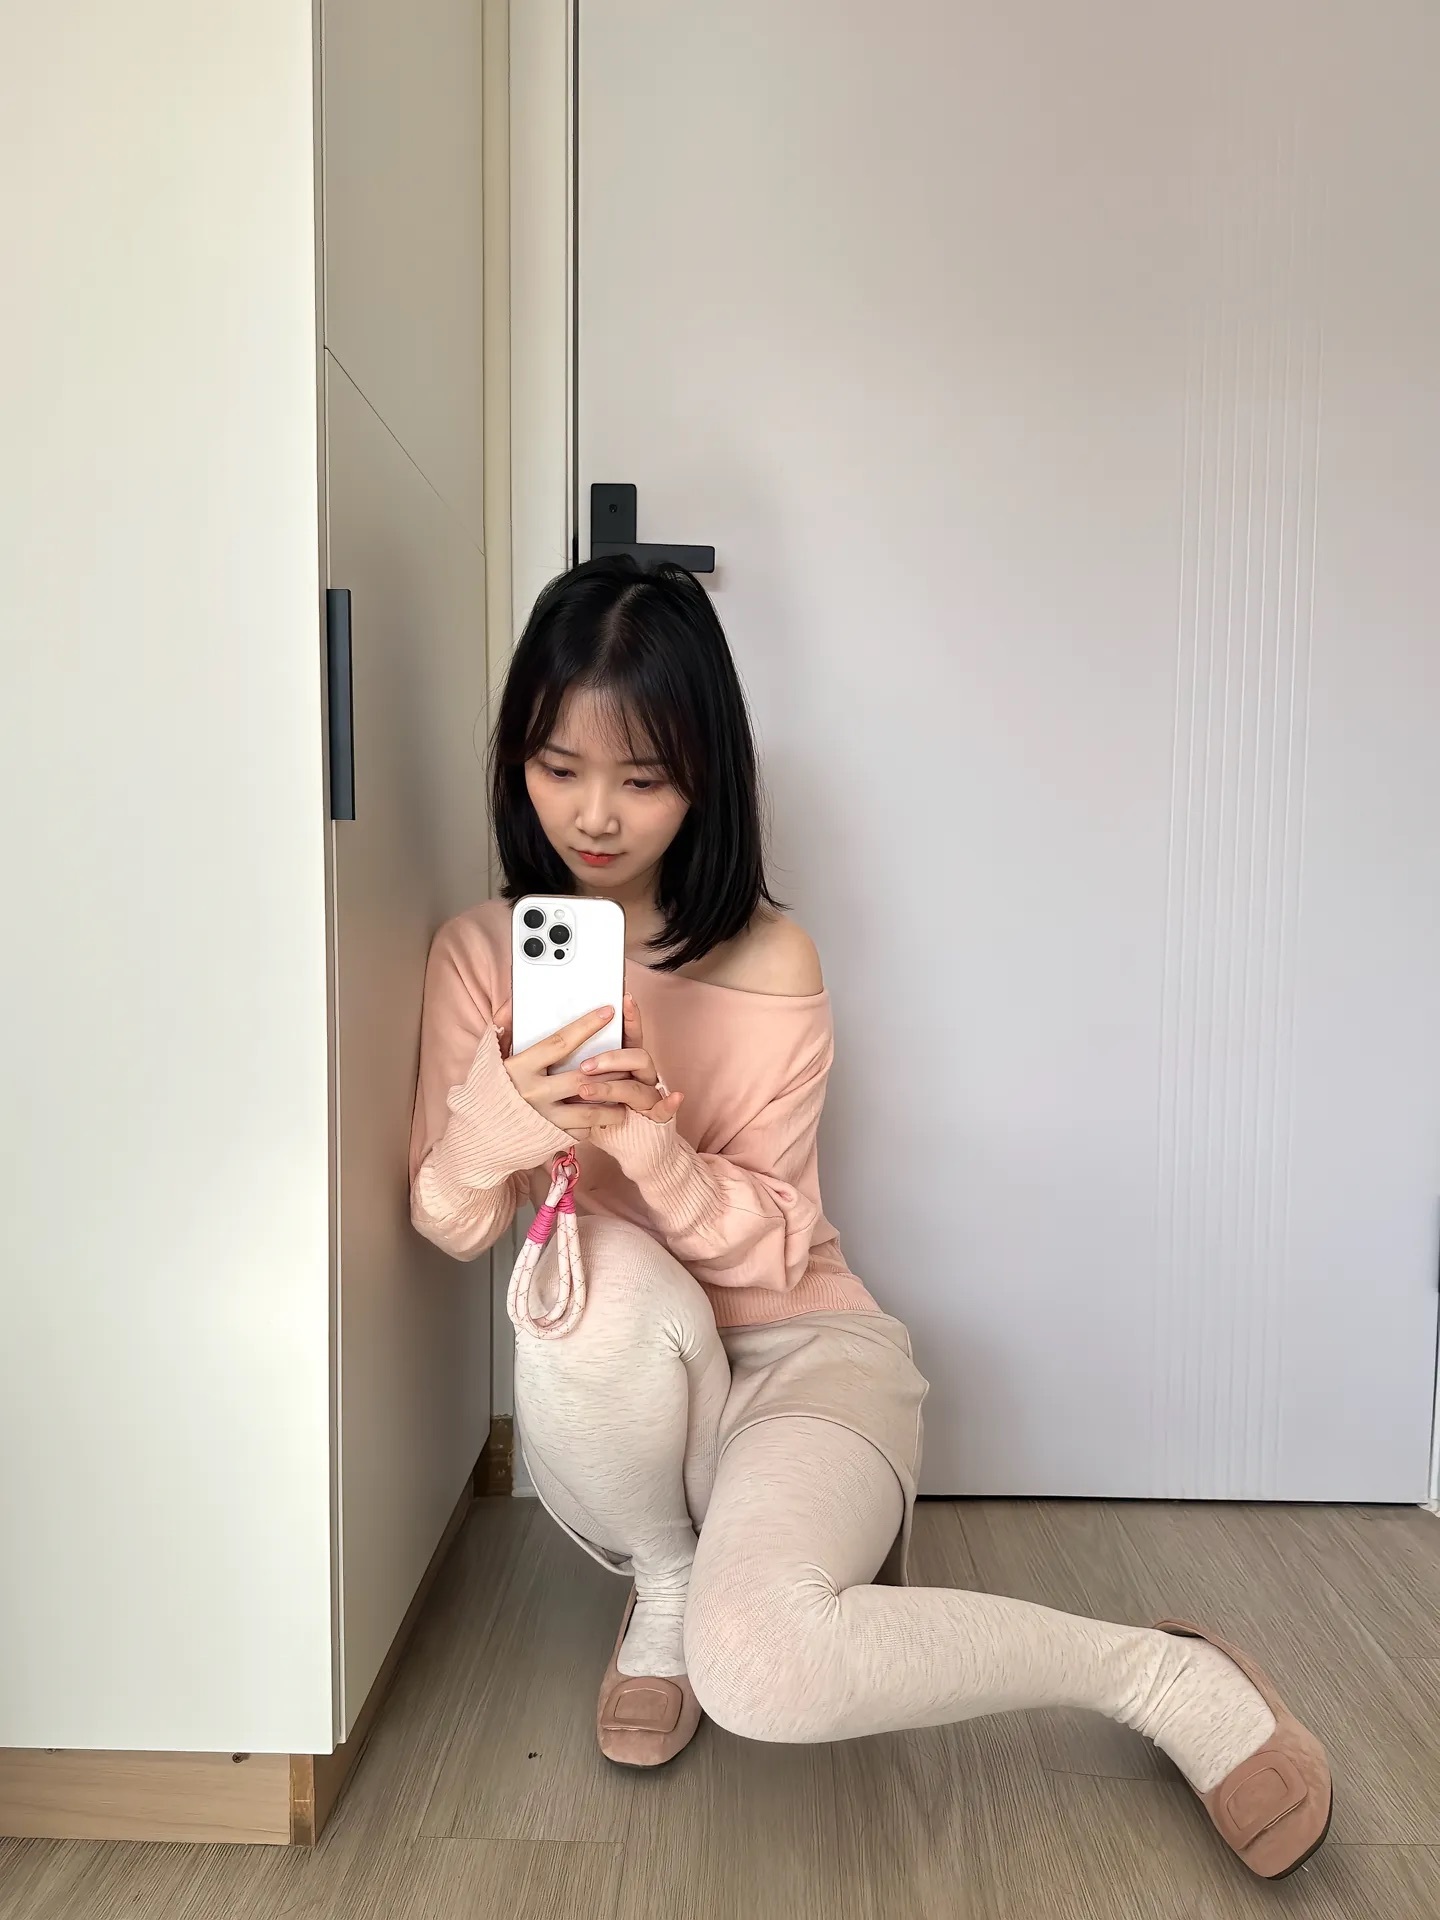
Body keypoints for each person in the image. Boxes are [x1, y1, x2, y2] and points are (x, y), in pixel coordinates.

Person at [408, 557, 1331, 1882]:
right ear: (516, 760)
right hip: (628, 1394)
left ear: (706, 780)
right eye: (560, 768)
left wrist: (647, 1145)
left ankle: (1157, 1674)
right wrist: (505, 1116)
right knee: (591, 1263)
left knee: (761, 1669)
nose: (595, 816)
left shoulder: (770, 958)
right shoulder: (478, 957)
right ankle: (666, 1580)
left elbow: (778, 1242)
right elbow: (450, 1221)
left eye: (643, 779)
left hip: (799, 1357)